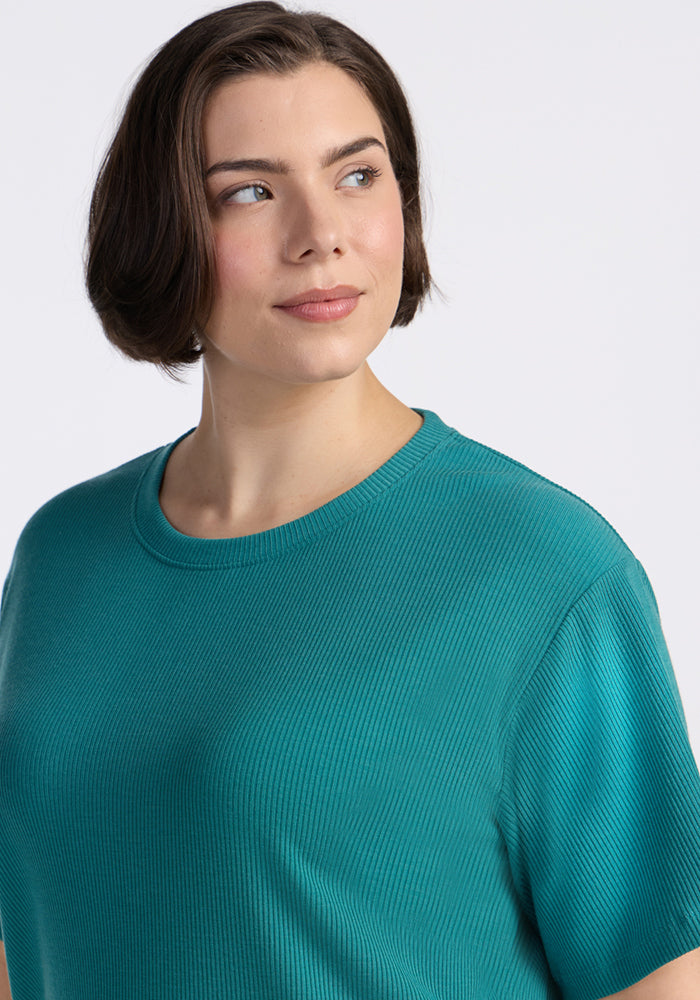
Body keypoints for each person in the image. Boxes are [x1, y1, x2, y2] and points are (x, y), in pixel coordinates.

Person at [0, 2, 699, 997]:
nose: (319, 234)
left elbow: (658, 976)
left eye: (356, 175)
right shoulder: (63, 553)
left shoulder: (541, 569)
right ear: (164, 228)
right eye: (248, 191)